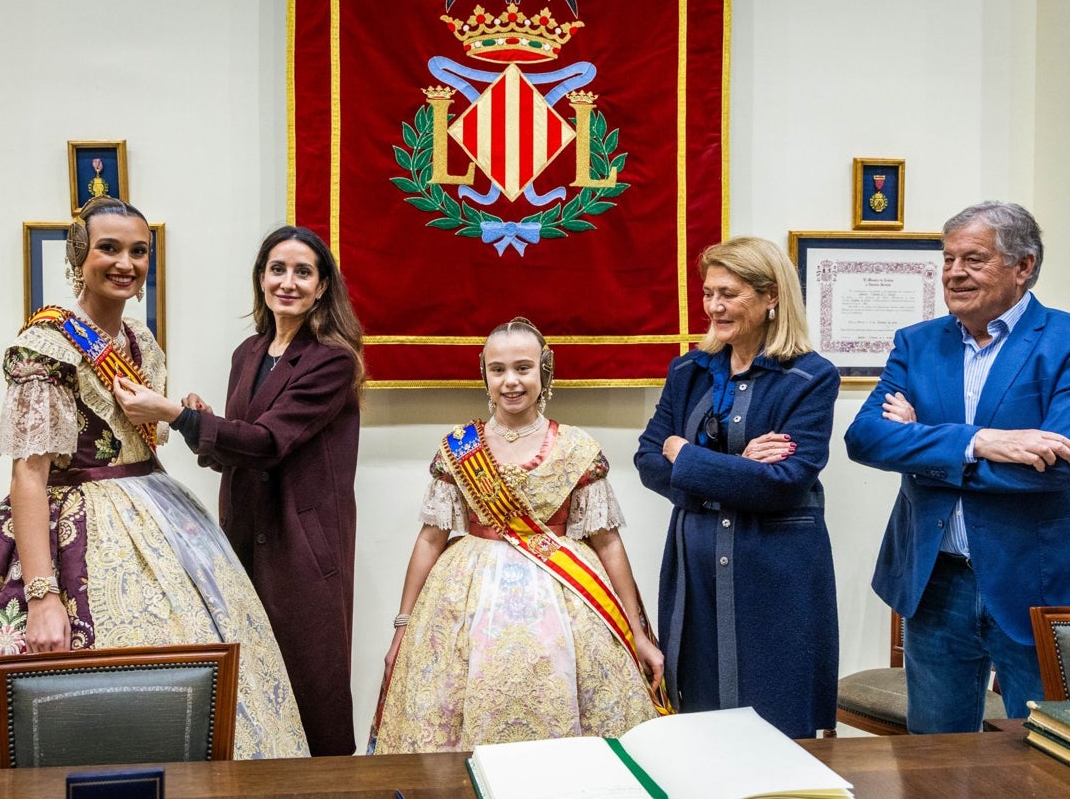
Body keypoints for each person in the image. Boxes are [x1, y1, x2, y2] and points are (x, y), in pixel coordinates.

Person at [0, 196, 308, 771]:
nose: (125, 262)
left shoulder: (139, 340)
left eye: (138, 251)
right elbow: (29, 474)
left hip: (159, 515)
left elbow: (135, 436)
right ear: (81, 255)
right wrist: (42, 596)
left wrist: (181, 412)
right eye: (109, 248)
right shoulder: (46, 346)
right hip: (70, 523)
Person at [115, 225, 363, 756]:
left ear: (322, 288)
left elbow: (271, 441)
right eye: (278, 269)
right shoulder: (248, 352)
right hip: (244, 535)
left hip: (301, 544)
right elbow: (240, 449)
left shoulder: (332, 360)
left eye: (303, 272)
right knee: (251, 684)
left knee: (310, 687)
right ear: (261, 279)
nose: (288, 282)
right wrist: (201, 424)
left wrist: (176, 415)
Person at [370, 318, 666, 755]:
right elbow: (431, 539)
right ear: (484, 374)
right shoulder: (459, 446)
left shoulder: (577, 448)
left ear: (544, 371)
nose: (511, 381)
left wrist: (638, 633)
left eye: (523, 368)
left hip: (566, 596)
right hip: (463, 597)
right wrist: (403, 626)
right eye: (498, 369)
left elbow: (607, 543)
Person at [844, 201, 1070, 733]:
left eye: (974, 258)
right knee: (934, 756)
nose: (954, 273)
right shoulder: (917, 343)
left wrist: (922, 446)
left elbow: (1058, 465)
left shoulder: (1062, 343)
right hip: (936, 581)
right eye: (947, 259)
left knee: (1041, 755)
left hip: (1034, 584)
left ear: (1024, 266)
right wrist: (982, 442)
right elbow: (865, 438)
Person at [634, 236, 840, 739]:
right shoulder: (688, 370)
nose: (714, 306)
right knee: (701, 722)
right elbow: (647, 460)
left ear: (771, 297)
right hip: (695, 573)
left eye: (730, 293)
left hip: (776, 576)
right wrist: (733, 468)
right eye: (709, 293)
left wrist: (688, 456)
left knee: (778, 723)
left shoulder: (811, 378)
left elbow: (784, 484)